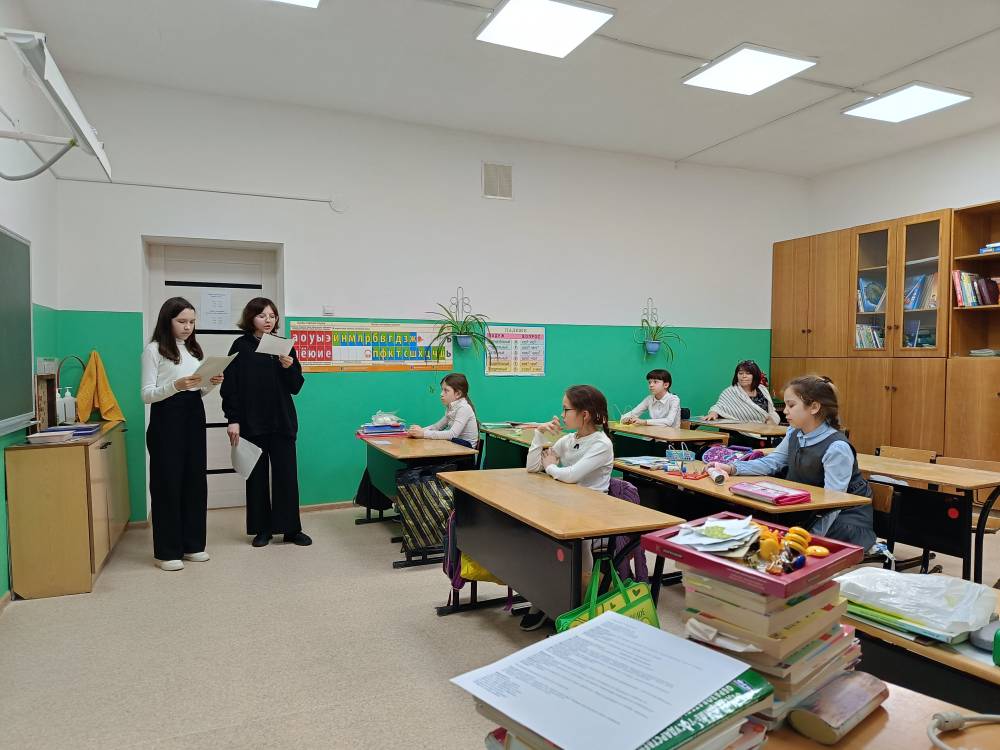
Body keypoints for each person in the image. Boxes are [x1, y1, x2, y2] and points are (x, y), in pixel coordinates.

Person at [709, 375, 875, 549]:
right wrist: (732, 468)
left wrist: (809, 541)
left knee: (777, 542)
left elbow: (834, 503)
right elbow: (772, 462)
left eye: (791, 405)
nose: (785, 411)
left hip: (842, 522)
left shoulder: (837, 448)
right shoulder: (794, 433)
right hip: (809, 510)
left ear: (814, 407)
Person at [521, 384, 614, 631]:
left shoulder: (601, 444)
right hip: (567, 505)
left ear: (585, 414)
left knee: (572, 542)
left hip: (592, 512)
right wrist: (539, 435)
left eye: (566, 410)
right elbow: (533, 467)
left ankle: (577, 601)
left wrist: (552, 467)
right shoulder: (570, 440)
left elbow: (571, 475)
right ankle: (547, 598)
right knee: (536, 538)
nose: (562, 415)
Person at [141, 297, 224, 571]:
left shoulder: (193, 350)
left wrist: (210, 384)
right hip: (167, 419)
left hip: (193, 415)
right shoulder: (154, 350)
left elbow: (197, 390)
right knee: (167, 483)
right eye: (182, 321)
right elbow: (146, 395)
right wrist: (174, 386)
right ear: (167, 321)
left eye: (192, 322)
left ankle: (193, 545)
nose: (188, 327)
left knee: (194, 481)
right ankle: (167, 552)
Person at [221, 297, 310, 548]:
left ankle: (291, 530)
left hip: (282, 422)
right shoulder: (240, 346)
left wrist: (289, 367)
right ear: (251, 318)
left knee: (286, 477)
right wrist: (233, 419)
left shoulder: (283, 345)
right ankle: (262, 530)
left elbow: (296, 387)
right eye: (262, 315)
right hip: (252, 423)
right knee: (256, 478)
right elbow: (230, 386)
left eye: (272, 315)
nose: (268, 320)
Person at [407, 373, 479, 448]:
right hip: (456, 447)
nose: (441, 394)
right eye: (442, 390)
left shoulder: (464, 408)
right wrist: (417, 432)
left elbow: (452, 434)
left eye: (446, 390)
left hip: (465, 451)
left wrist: (423, 434)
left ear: (458, 394)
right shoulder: (451, 407)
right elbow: (437, 427)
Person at [704, 359, 780, 424]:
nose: (744, 376)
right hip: (741, 432)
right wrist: (713, 413)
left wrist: (771, 421)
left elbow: (771, 410)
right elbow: (718, 407)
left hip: (766, 429)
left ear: (755, 375)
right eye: (740, 373)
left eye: (748, 373)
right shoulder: (730, 392)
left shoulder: (762, 389)